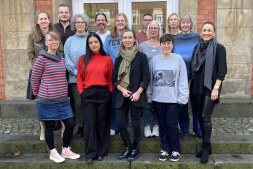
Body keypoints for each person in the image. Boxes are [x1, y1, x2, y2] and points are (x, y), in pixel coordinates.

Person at [31, 31, 80, 163]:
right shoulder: (41, 59)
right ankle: (52, 152)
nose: (54, 42)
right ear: (46, 43)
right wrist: (38, 93)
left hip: (62, 99)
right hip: (47, 99)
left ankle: (65, 149)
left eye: (56, 40)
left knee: (70, 123)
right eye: (51, 40)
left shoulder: (61, 58)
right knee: (50, 126)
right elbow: (34, 78)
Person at [147, 34, 189, 162]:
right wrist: (149, 95)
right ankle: (165, 149)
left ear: (172, 45)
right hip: (158, 99)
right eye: (164, 43)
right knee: (162, 125)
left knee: (171, 125)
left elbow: (182, 79)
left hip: (173, 100)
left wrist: (182, 97)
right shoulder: (154, 60)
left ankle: (176, 150)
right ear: (160, 45)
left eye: (169, 43)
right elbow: (150, 79)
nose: (166, 46)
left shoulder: (178, 59)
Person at [191, 22, 227, 163]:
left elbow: (222, 71)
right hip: (196, 87)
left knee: (206, 117)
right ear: (201, 32)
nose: (206, 32)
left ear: (214, 33)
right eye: (204, 30)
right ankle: (208, 145)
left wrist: (216, 88)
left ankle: (205, 148)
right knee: (200, 117)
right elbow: (194, 70)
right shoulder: (197, 48)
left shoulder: (219, 48)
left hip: (210, 88)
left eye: (209, 30)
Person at [112, 29, 150, 161]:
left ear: (135, 40)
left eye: (130, 38)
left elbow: (146, 78)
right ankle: (127, 146)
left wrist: (138, 92)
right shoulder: (118, 59)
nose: (127, 40)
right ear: (122, 40)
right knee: (120, 122)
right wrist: (122, 90)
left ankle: (135, 148)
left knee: (135, 123)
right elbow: (113, 80)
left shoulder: (141, 57)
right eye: (125, 38)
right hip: (122, 94)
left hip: (136, 95)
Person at [27, 9, 64, 141]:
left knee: (58, 99)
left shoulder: (55, 34)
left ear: (49, 20)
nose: (43, 21)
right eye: (40, 19)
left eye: (45, 18)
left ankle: (61, 125)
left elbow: (61, 52)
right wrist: (39, 66)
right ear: (37, 21)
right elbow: (30, 54)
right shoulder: (32, 36)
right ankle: (43, 128)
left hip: (53, 74)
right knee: (41, 102)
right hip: (38, 73)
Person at [77, 32, 113, 163]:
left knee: (102, 123)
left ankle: (102, 152)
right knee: (90, 124)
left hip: (103, 93)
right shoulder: (82, 59)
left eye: (95, 42)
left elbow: (110, 78)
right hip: (88, 94)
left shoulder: (107, 59)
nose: (93, 44)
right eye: (90, 43)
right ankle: (90, 153)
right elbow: (79, 78)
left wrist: (109, 92)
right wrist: (81, 92)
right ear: (88, 45)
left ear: (100, 43)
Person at [173, 14, 202, 139]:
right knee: (182, 103)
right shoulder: (175, 38)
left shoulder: (197, 37)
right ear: (180, 25)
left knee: (196, 103)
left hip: (196, 74)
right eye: (183, 22)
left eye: (187, 22)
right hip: (180, 76)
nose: (185, 24)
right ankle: (184, 129)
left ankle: (198, 129)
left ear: (191, 24)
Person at [64, 13, 90, 138]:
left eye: (82, 22)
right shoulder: (70, 40)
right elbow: (67, 58)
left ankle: (90, 125)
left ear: (86, 24)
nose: (80, 24)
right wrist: (75, 72)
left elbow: (96, 55)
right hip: (75, 79)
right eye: (77, 22)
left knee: (89, 102)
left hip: (91, 78)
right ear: (74, 25)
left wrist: (88, 73)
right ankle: (80, 127)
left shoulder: (91, 38)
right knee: (78, 104)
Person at [104, 13, 129, 136]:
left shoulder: (129, 35)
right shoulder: (109, 38)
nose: (120, 22)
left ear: (126, 22)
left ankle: (124, 125)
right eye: (118, 20)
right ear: (115, 23)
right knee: (114, 101)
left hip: (127, 73)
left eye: (122, 20)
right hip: (113, 74)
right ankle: (113, 126)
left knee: (126, 101)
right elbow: (105, 56)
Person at [139, 20, 163, 137]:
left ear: (159, 30)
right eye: (151, 28)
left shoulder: (163, 44)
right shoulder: (142, 46)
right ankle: (147, 126)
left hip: (160, 80)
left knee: (158, 103)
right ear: (148, 30)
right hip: (146, 79)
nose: (153, 30)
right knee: (147, 104)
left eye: (156, 28)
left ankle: (157, 126)